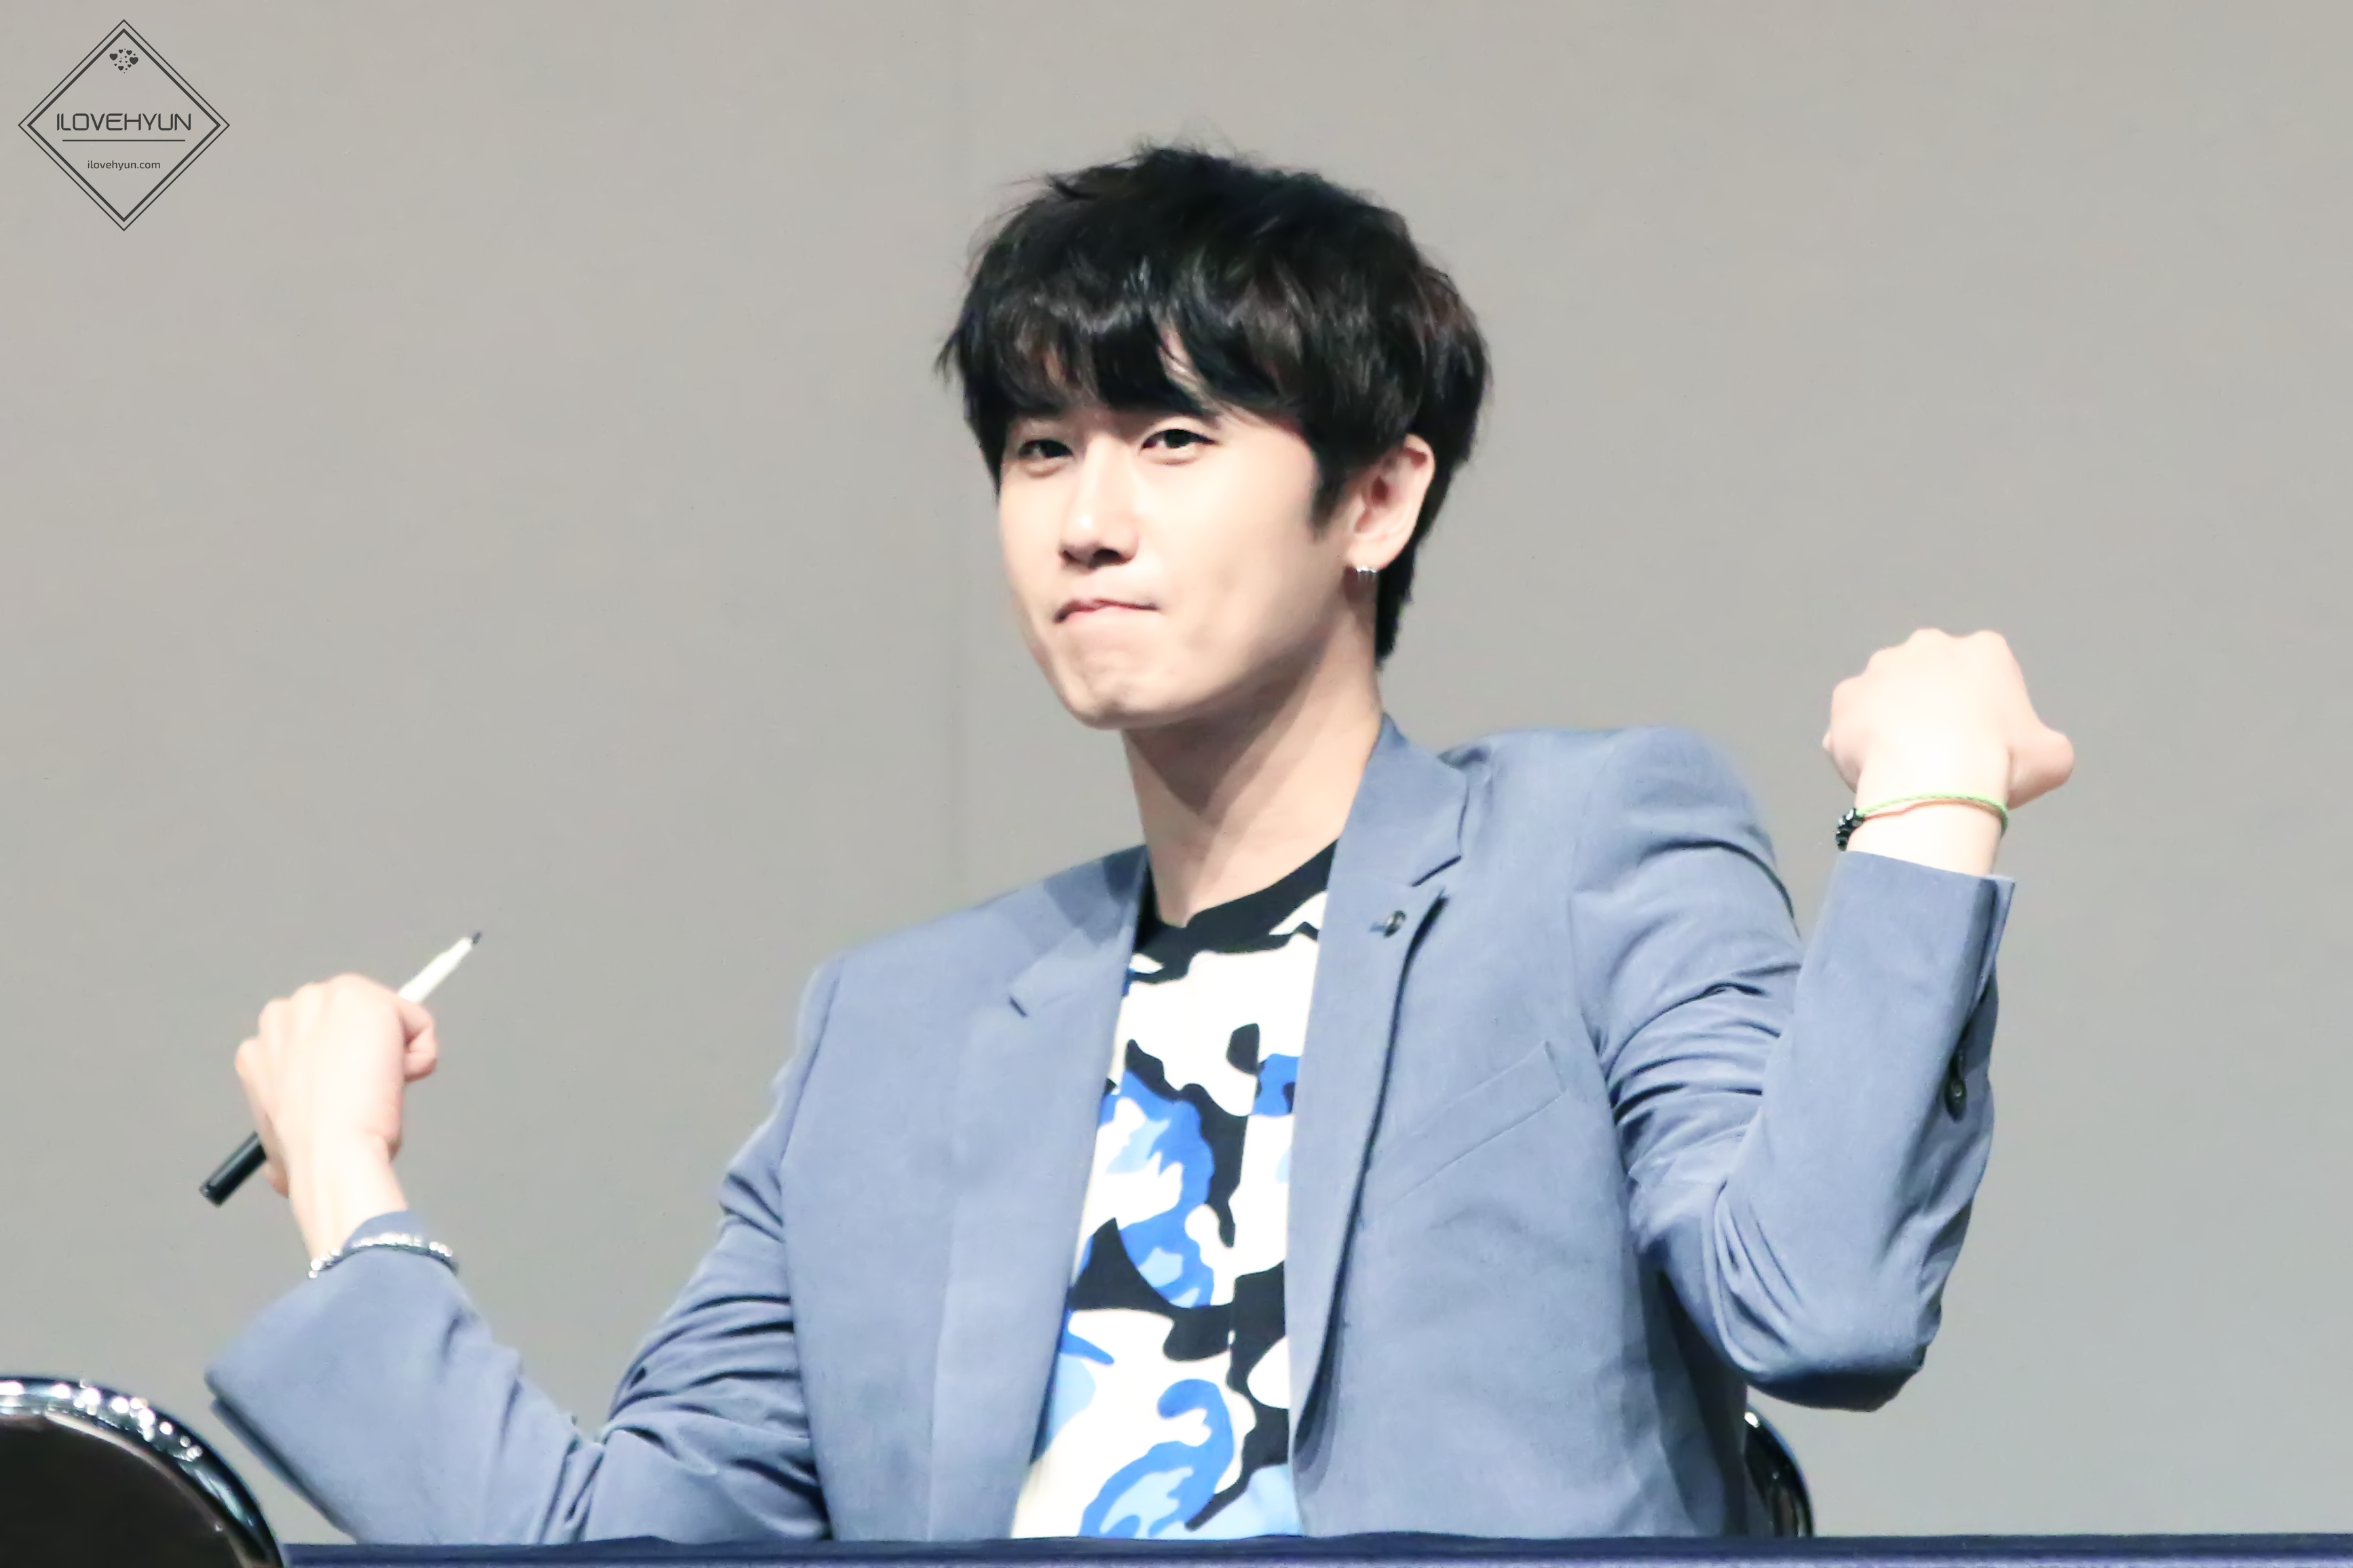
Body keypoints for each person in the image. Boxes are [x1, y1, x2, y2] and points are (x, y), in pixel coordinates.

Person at [208, 145, 2073, 1544]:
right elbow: (611, 1547)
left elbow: (1822, 1305)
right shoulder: (901, 1032)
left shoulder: (1583, 853)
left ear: (1376, 497)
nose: (1084, 519)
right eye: (1039, 449)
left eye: (1173, 438)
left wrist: (1929, 810)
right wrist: (348, 1182)